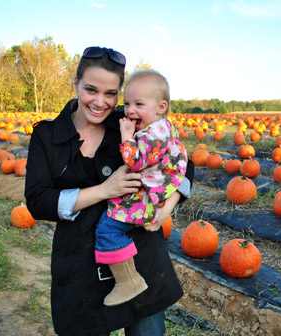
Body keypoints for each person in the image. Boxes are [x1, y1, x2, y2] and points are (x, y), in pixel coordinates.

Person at [24, 47, 194, 336]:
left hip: (140, 258)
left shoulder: (129, 123)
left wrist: (169, 204)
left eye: (111, 93)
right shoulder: (47, 135)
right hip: (79, 262)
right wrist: (105, 190)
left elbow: (180, 160)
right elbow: (39, 201)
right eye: (91, 90)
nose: (101, 102)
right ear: (76, 83)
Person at [96, 69, 188, 306]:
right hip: (155, 193)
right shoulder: (164, 128)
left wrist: (127, 137)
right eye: (127, 103)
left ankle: (128, 280)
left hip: (145, 199)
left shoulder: (150, 135)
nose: (129, 110)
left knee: (107, 229)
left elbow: (134, 161)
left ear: (161, 107)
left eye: (138, 103)